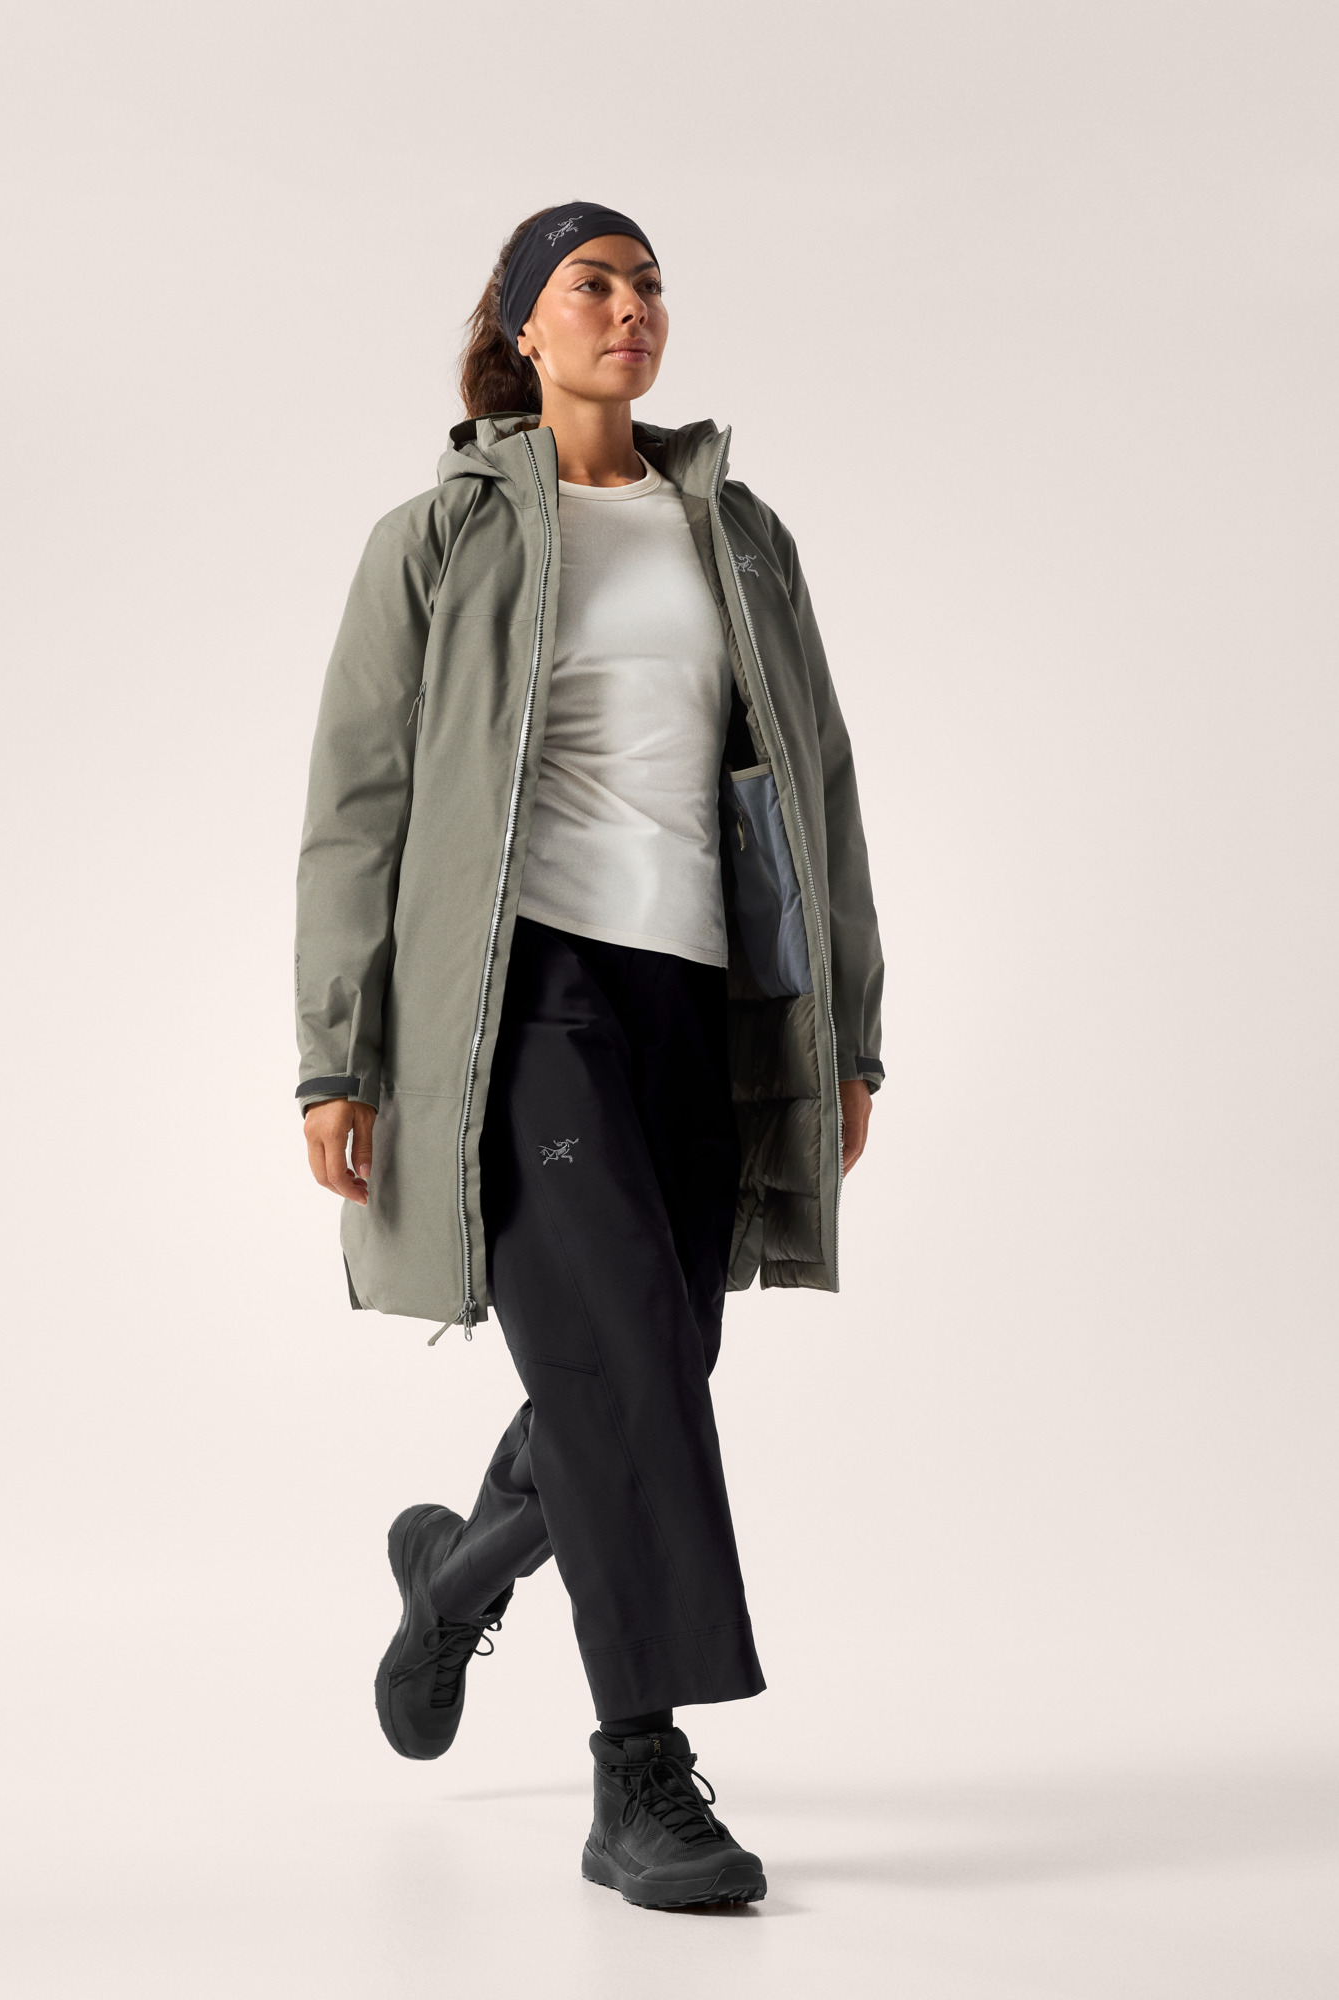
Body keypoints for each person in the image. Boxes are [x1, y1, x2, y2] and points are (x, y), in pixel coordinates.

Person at [294, 202, 884, 1909]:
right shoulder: (440, 537)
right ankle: (639, 1777)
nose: (633, 310)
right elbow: (356, 802)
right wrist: (338, 1051)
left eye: (650, 287)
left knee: (651, 1356)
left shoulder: (737, 534)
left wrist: (849, 1023)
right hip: (520, 992)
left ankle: (456, 1573)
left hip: (699, 994)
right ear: (522, 326)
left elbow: (821, 782)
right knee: (626, 1354)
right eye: (595, 285)